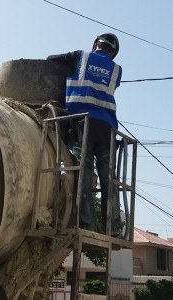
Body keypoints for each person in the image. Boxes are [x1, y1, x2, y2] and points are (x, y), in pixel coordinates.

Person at [47, 33, 122, 234]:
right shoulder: (117, 69)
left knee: (83, 173)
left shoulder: (80, 56)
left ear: (95, 44)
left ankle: (88, 224)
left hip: (82, 125)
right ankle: (112, 227)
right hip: (107, 129)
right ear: (113, 53)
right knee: (109, 180)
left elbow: (50, 60)